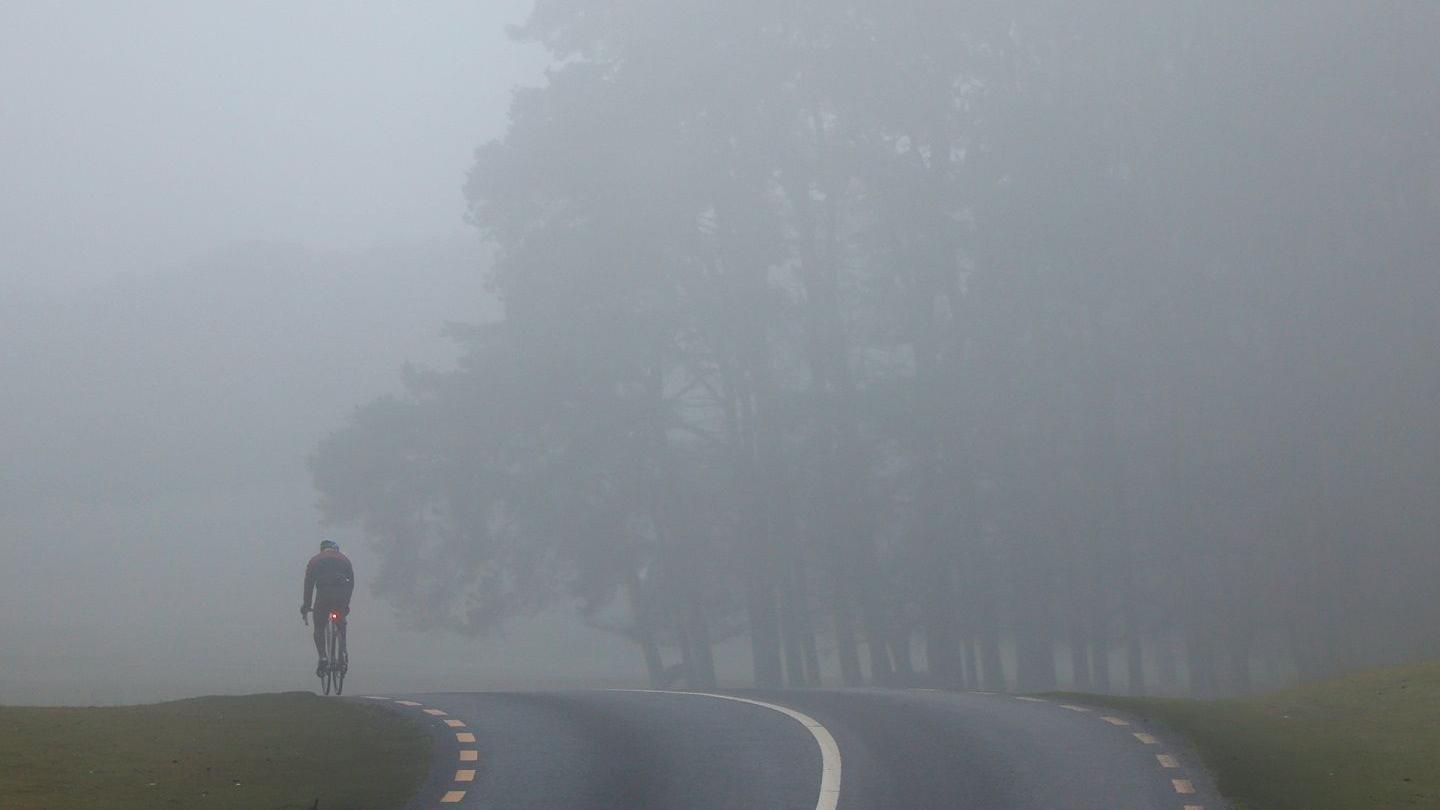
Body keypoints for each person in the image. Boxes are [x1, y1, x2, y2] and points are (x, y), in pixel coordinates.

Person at [301, 539, 354, 677]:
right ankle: (342, 649)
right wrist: (346, 604)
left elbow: (309, 584)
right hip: (341, 593)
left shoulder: (315, 560)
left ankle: (323, 657)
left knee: (319, 626)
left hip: (324, 594)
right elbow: (352, 583)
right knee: (341, 622)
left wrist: (306, 605)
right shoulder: (344, 559)